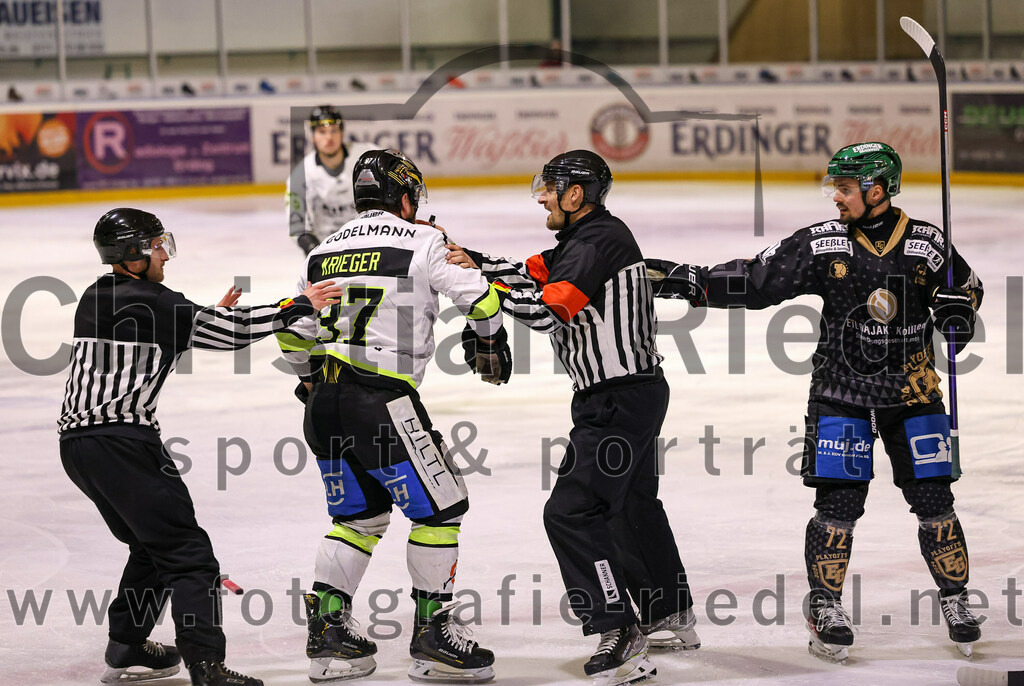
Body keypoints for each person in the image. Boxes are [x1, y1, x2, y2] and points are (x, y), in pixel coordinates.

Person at [646, 142, 984, 662]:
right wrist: (688, 280)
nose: (836, 198)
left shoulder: (926, 242)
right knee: (839, 503)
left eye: (845, 189)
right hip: (840, 391)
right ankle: (825, 603)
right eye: (835, 188)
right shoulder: (824, 242)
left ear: (878, 190)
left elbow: (963, 286)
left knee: (935, 499)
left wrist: (958, 308)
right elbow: (757, 282)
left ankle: (957, 598)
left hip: (913, 391)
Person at [445, 150, 700, 686]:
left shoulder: (596, 242)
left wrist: (484, 302)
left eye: (549, 187)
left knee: (571, 512)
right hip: (632, 393)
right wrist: (464, 256)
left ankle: (619, 630)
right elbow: (523, 273)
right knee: (630, 502)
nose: (541, 196)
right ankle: (665, 610)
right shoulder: (586, 240)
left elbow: (546, 308)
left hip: (615, 400)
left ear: (575, 194)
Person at [58, 208, 341, 686]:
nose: (165, 252)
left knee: (150, 547)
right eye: (156, 245)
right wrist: (298, 305)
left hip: (78, 445)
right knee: (188, 554)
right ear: (132, 253)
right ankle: (206, 666)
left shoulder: (98, 294)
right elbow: (227, 335)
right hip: (123, 443)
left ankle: (127, 643)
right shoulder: (157, 303)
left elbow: (158, 330)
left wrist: (207, 318)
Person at [276, 149, 510, 683]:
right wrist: (490, 342)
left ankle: (330, 639)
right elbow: (483, 301)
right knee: (441, 509)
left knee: (357, 519)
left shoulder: (323, 251)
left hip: (323, 408)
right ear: (404, 198)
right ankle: (433, 638)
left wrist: (308, 381)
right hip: (381, 401)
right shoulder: (424, 239)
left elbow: (293, 334)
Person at [287, 105, 375, 256]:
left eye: (334, 130)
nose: (329, 137)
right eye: (322, 132)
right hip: (328, 251)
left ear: (341, 133)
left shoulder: (368, 157)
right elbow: (298, 226)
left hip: (370, 245)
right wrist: (315, 251)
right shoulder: (299, 176)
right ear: (313, 135)